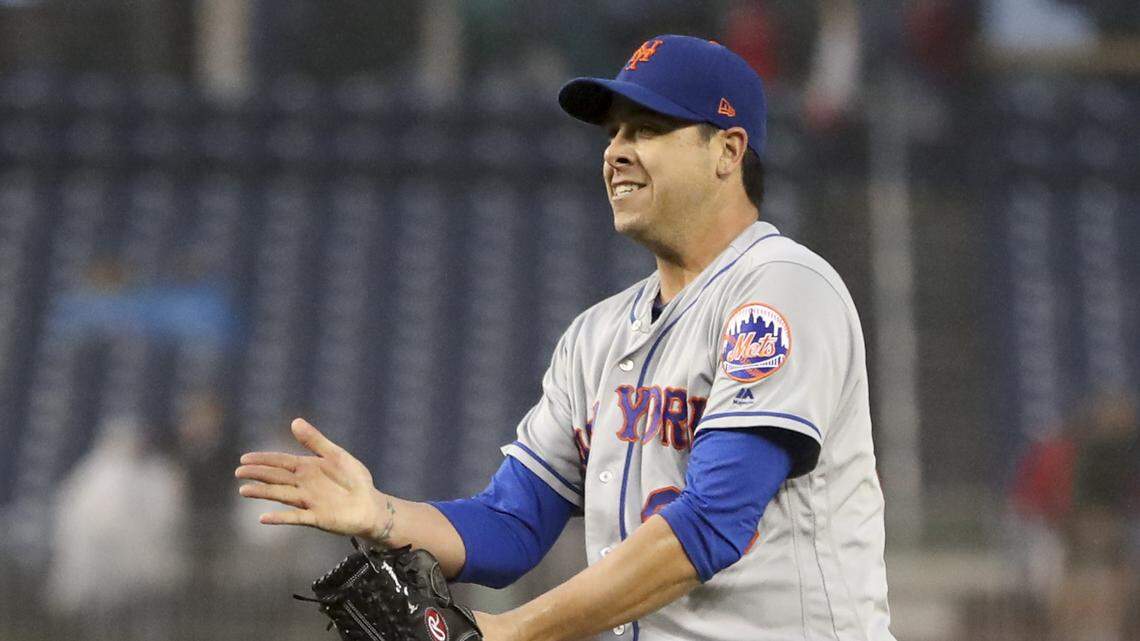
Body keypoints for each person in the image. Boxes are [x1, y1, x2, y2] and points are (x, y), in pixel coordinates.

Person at [236, 35, 894, 641]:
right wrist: (381, 514)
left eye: (649, 128)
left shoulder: (780, 288)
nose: (616, 151)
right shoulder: (597, 337)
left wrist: (512, 631)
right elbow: (512, 523)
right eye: (613, 133)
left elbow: (712, 523)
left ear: (727, 150)